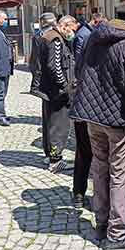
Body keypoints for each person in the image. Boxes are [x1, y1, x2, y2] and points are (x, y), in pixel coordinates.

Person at [71, 1, 125, 250]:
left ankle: (101, 223)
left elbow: (79, 69)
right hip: (118, 118)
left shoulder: (95, 36)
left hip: (93, 116)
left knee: (100, 169)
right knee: (119, 176)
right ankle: (117, 234)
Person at [38, 15, 79, 173]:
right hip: (57, 91)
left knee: (50, 123)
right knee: (59, 126)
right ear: (65, 26)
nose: (72, 33)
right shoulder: (55, 39)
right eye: (72, 29)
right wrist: (65, 86)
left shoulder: (50, 36)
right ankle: (55, 160)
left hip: (51, 89)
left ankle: (50, 155)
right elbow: (54, 66)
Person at [72, 16, 94, 210]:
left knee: (83, 153)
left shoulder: (82, 58)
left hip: (81, 109)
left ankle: (78, 193)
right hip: (98, 114)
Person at [29, 12, 57, 161]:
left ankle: (49, 151)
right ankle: (53, 156)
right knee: (53, 121)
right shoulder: (49, 37)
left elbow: (33, 63)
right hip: (51, 85)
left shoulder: (38, 36)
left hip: (44, 84)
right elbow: (43, 63)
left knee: (48, 119)